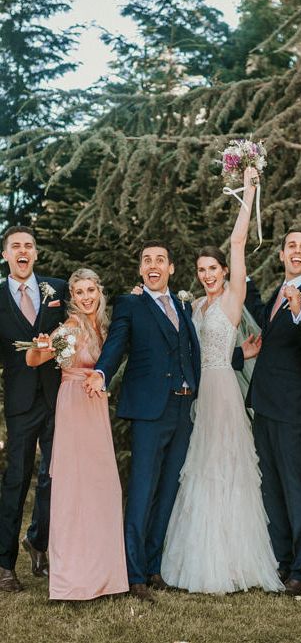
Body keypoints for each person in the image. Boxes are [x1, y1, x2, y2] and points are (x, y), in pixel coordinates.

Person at [160, 167, 283, 594]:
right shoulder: (192, 306)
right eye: (202, 269)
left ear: (224, 271)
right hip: (199, 392)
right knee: (200, 467)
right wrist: (237, 354)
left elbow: (236, 242)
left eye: (213, 268)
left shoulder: (232, 300)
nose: (209, 274)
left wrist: (248, 194)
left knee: (228, 466)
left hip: (224, 395)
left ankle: (235, 561)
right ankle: (199, 556)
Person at [84, 241, 201, 603]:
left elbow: (190, 350)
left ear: (171, 268)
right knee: (142, 492)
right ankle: (133, 574)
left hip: (183, 411)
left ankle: (152, 567)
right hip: (149, 413)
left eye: (160, 260)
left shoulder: (183, 305)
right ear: (141, 270)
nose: (153, 265)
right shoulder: (130, 304)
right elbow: (116, 346)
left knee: (167, 491)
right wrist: (101, 372)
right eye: (147, 260)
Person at [238, 229, 301, 596]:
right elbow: (262, 314)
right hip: (263, 404)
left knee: (296, 488)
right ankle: (281, 560)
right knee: (272, 488)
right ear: (281, 255)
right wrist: (242, 270)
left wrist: (299, 313)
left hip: (293, 409)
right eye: (291, 246)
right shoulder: (279, 291)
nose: (297, 251)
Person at [26, 269, 127, 600]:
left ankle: (103, 574)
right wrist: (42, 345)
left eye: (91, 290)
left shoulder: (101, 326)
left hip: (94, 408)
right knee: (76, 488)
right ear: (73, 295)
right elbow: (33, 358)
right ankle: (74, 578)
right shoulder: (70, 328)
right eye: (80, 292)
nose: (86, 297)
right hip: (74, 406)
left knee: (101, 487)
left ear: (99, 292)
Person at [0, 226, 68, 592]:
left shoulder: (57, 288)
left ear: (36, 254)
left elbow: (85, 318)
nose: (23, 251)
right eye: (16, 247)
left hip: (58, 398)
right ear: (6, 255)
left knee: (54, 478)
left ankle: (38, 542)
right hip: (20, 403)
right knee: (16, 480)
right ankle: (4, 565)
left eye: (28, 246)